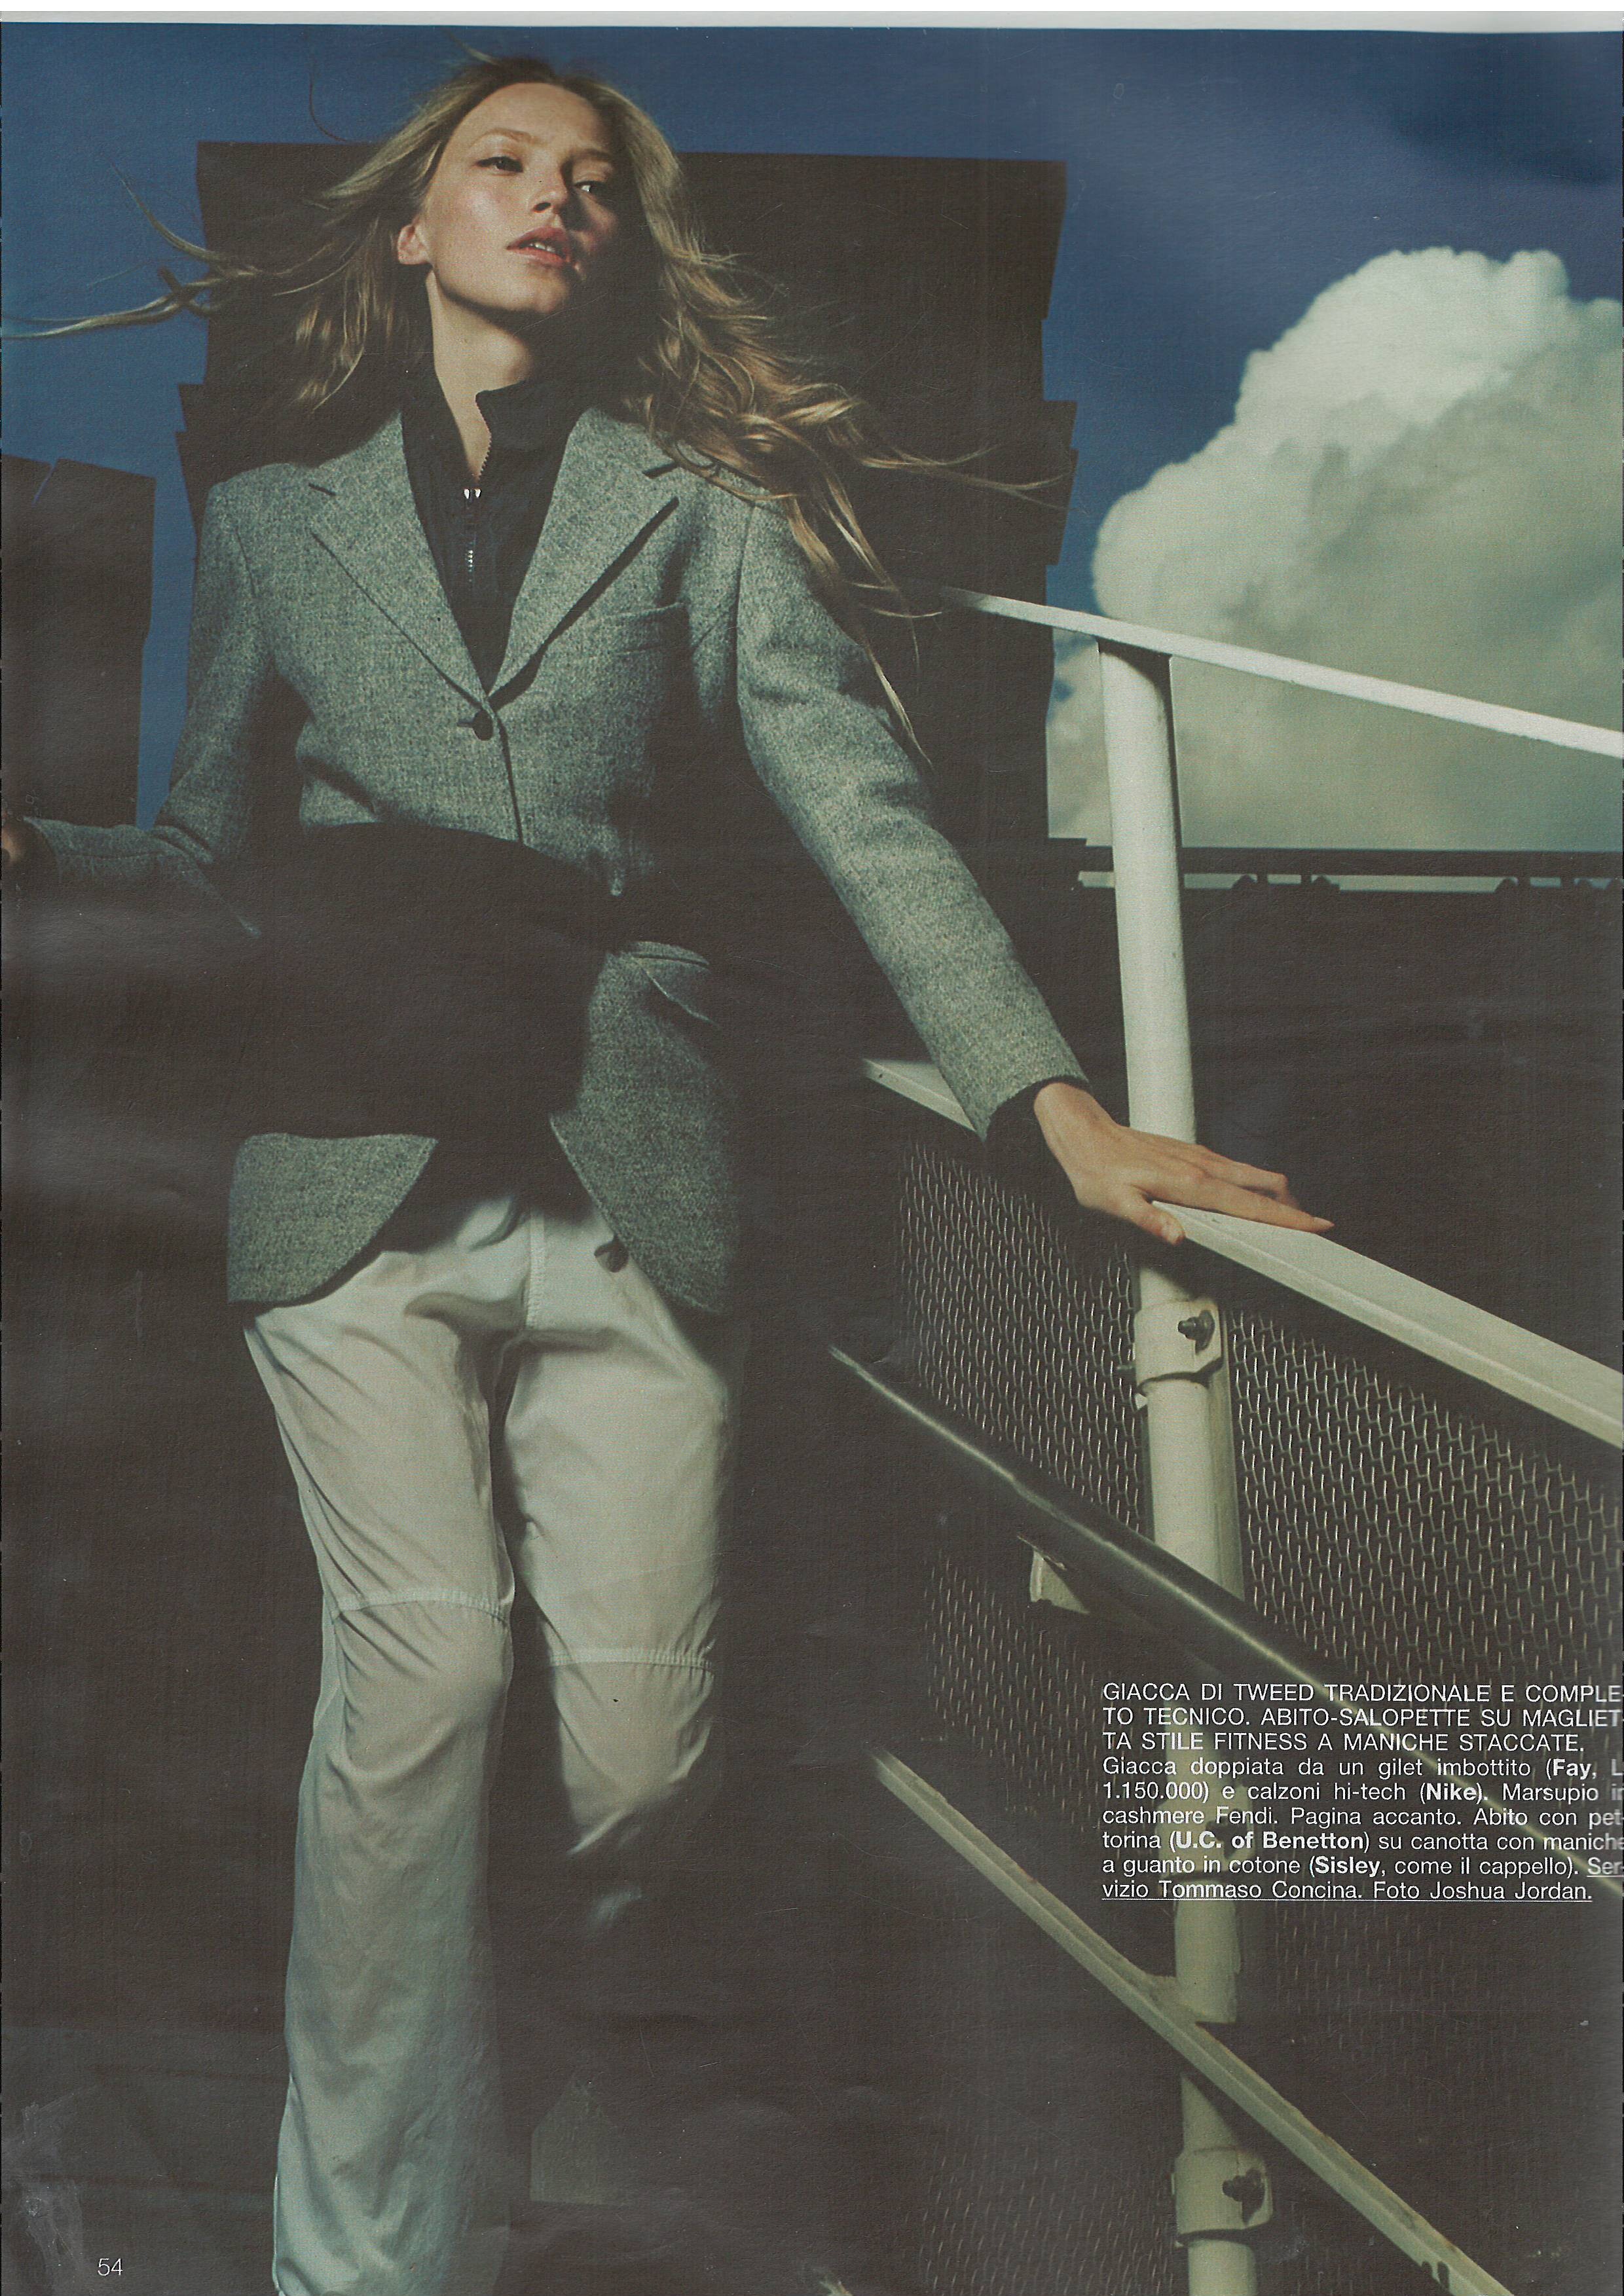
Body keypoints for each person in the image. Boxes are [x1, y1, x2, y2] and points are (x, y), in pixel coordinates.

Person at [3, 53, 1329, 2296]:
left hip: (630, 1172)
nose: (555, 198)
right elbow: (214, 849)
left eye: (594, 181)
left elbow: (867, 816)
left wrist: (1052, 1105)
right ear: (415, 226)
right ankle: (360, 2260)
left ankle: (495, 2093)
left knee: (633, 1761)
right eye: (505, 165)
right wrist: (48, 856)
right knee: (420, 1690)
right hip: (345, 1174)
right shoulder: (279, 526)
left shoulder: (699, 518)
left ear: (622, 249)